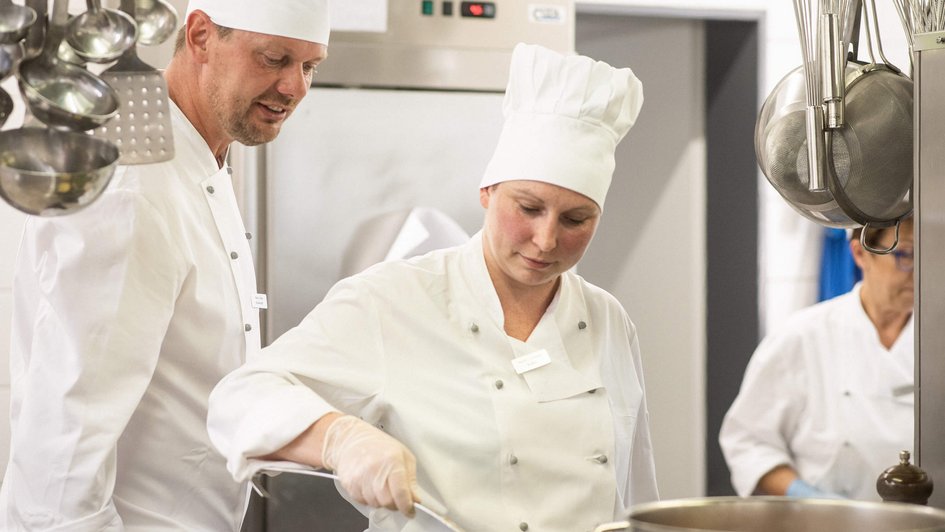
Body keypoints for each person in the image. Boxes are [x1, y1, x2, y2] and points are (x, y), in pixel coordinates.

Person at [207, 43, 659, 531]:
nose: (546, 240)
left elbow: (634, 487)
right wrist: (340, 438)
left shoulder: (607, 318)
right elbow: (240, 398)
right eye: (528, 209)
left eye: (576, 219)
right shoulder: (394, 300)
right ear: (488, 193)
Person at [0, 1, 329, 530]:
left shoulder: (198, 158)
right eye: (273, 58)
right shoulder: (135, 188)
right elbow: (65, 440)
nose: (294, 88)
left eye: (310, 66)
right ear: (199, 36)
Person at [719, 217, 915, 501]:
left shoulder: (935, 342)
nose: (919, 270)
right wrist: (806, 498)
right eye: (905, 254)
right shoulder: (803, 336)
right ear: (861, 253)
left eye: (930, 254)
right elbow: (747, 442)